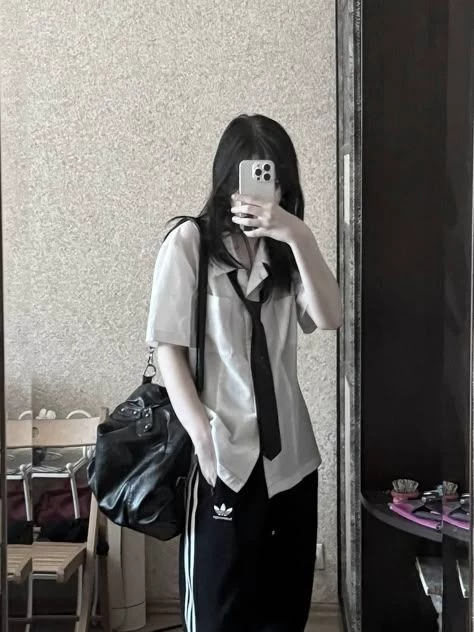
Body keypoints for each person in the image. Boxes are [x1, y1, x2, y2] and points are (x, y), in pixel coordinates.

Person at [146, 114, 342, 632]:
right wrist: (202, 439)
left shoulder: (287, 251)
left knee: (284, 612)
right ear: (226, 179)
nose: (261, 191)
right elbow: (168, 350)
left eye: (272, 178)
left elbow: (329, 317)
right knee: (218, 613)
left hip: (291, 461)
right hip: (223, 456)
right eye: (251, 176)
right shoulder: (189, 244)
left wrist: (298, 234)